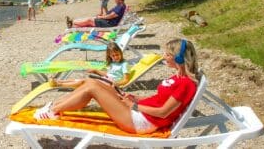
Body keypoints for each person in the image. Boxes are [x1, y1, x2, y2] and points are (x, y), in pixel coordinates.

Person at [34, 39, 199, 135]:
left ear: (179, 58)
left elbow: (164, 112)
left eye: (168, 54)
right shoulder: (178, 77)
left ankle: (52, 111)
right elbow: (158, 100)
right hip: (139, 112)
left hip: (141, 122)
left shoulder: (186, 84)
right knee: (93, 82)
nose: (164, 56)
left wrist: (134, 106)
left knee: (93, 88)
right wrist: (136, 98)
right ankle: (54, 107)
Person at [50, 42, 130, 88]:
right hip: (106, 79)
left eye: (117, 54)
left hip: (110, 83)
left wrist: (117, 84)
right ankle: (59, 81)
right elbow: (109, 74)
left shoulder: (124, 64)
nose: (116, 57)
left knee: (84, 82)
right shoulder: (113, 63)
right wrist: (96, 71)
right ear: (109, 55)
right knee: (84, 79)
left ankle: (58, 84)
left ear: (121, 53)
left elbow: (126, 79)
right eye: (113, 55)